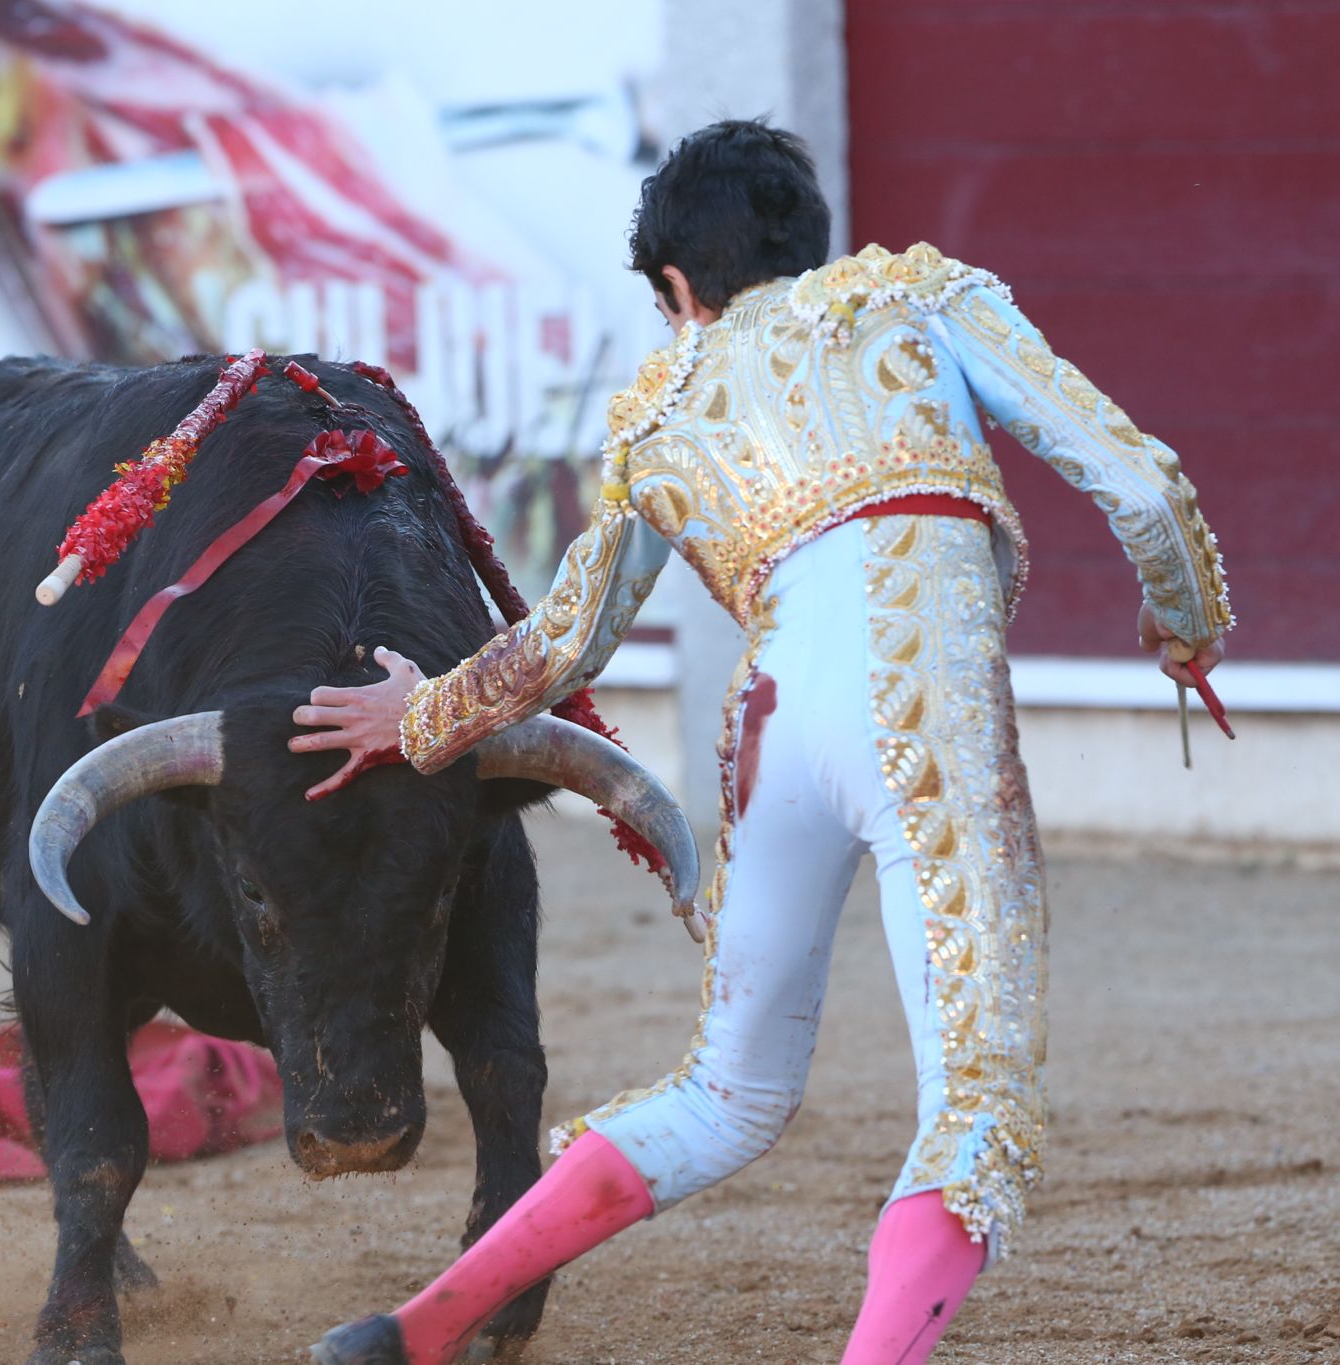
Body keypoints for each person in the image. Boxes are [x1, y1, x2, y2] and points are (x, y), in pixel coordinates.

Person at [289, 118, 1231, 1365]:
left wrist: (414, 719)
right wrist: (1183, 623)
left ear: (678, 288)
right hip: (921, 709)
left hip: (772, 736)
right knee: (977, 1111)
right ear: (808, 234)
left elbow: (561, 644)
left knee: (725, 1093)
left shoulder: (660, 408)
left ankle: (416, 1330)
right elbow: (1144, 487)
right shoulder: (918, 297)